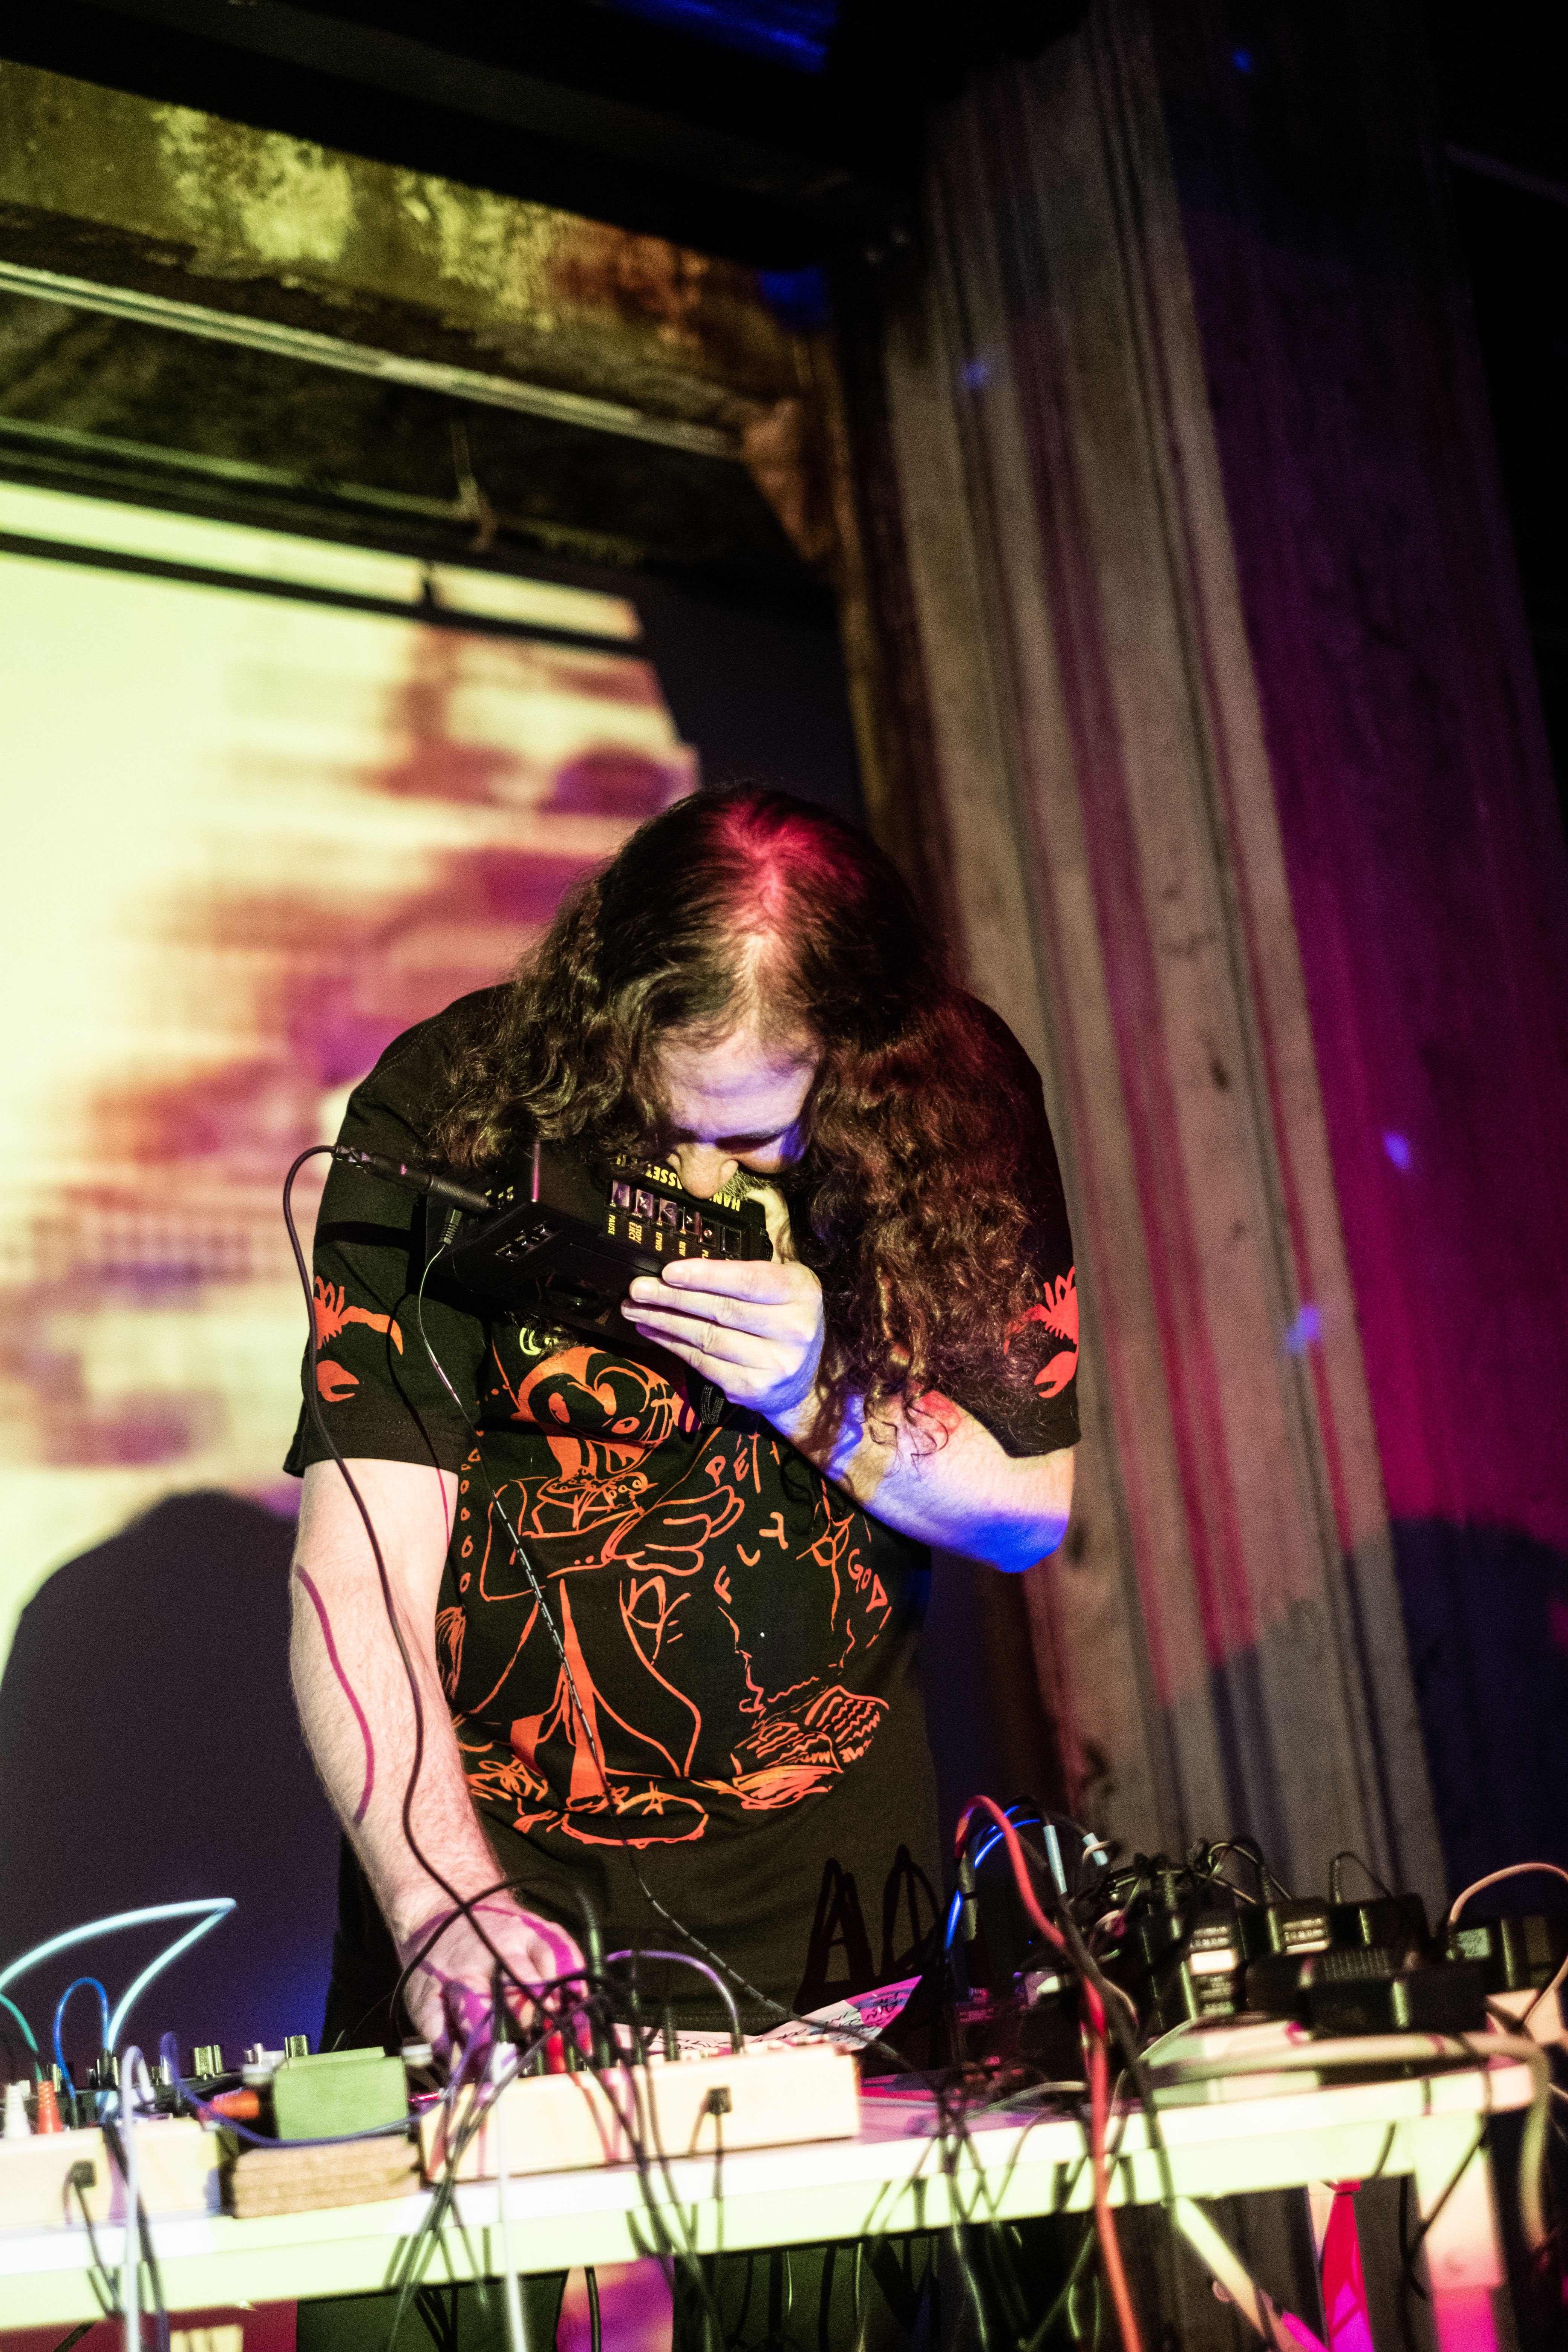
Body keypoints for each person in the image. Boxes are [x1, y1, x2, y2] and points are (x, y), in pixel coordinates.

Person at [285, 786, 1080, 2349]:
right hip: (487, 1928)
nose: (699, 1176)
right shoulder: (451, 1103)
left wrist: (817, 1400)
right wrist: (441, 1903)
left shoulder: (961, 1103)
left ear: (863, 1068)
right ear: (604, 1010)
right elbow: (354, 1564)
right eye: (666, 1121)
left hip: (828, 1956)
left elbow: (1027, 1511)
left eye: (756, 1138)